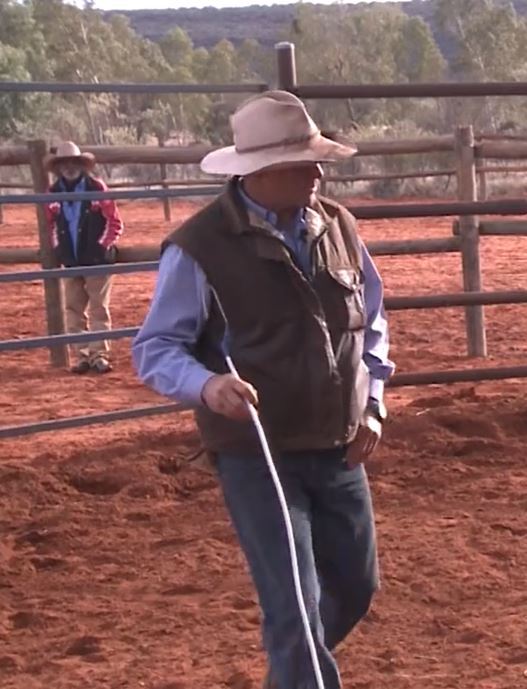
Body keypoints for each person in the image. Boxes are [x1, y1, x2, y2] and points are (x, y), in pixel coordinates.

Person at [131, 90, 394, 689]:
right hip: (258, 453)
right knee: (294, 603)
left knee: (355, 585)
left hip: (338, 440)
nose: (319, 173)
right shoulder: (200, 249)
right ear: (261, 172)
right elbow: (155, 349)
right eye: (305, 163)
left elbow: (371, 322)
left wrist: (374, 403)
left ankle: (291, 669)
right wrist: (206, 385)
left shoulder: (339, 226)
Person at [45, 141, 124, 374]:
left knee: (99, 308)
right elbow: (49, 226)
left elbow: (115, 221)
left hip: (96, 260)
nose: (69, 167)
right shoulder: (53, 193)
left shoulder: (96, 187)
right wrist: (59, 249)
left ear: (81, 164)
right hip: (70, 259)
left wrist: (102, 246)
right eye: (64, 163)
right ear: (58, 167)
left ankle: (99, 354)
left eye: (73, 162)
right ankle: (81, 355)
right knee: (73, 309)